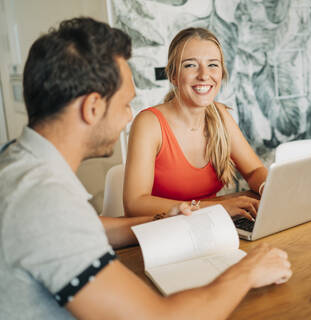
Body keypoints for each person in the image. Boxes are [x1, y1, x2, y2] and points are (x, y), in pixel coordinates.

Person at [0, 18, 292, 319]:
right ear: (93, 108)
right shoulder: (43, 203)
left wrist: (167, 218)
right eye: (126, 103)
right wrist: (247, 272)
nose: (129, 117)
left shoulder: (17, 165)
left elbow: (91, 228)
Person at [123, 27, 267, 221]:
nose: (204, 75)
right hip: (166, 232)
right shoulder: (149, 123)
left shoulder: (221, 116)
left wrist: (269, 188)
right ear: (173, 75)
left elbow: (254, 171)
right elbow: (135, 204)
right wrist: (216, 207)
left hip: (213, 226)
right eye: (190, 65)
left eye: (213, 65)